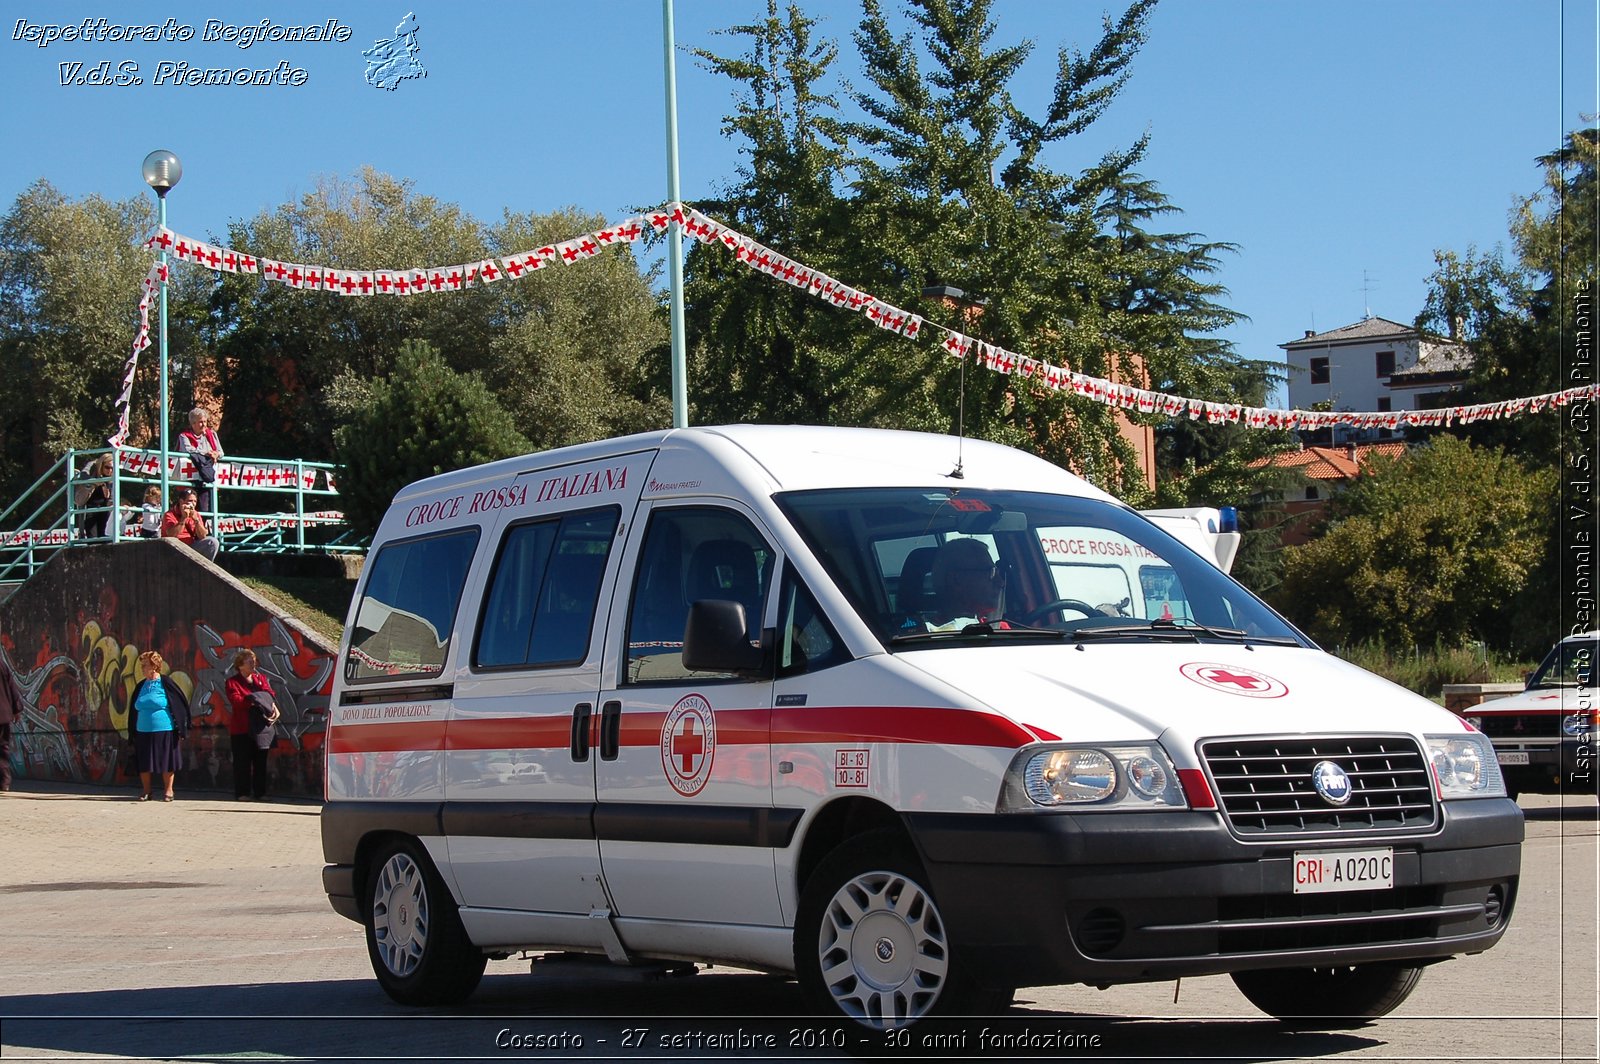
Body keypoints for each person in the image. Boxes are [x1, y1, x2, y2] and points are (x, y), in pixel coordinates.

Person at [128, 651, 190, 802]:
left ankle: (169, 791)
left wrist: (182, 727)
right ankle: (147, 791)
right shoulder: (141, 686)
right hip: (143, 730)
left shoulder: (166, 683)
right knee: (144, 762)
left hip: (165, 729)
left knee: (166, 761)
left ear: (155, 666)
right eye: (141, 665)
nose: (142, 668)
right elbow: (133, 708)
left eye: (145, 665)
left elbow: (179, 704)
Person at [224, 649, 279, 801]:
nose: (253, 664)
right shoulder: (232, 682)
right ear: (240, 665)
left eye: (254, 661)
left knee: (260, 761)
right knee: (242, 762)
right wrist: (257, 700)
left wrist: (261, 701)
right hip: (242, 728)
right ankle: (242, 793)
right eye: (249, 661)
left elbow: (270, 695)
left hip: (261, 727)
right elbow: (237, 701)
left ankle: (260, 792)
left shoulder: (260, 679)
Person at [927, 537, 1007, 630]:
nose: (1000, 582)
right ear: (956, 579)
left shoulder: (1001, 629)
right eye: (990, 573)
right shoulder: (924, 637)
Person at [178, 407, 223, 514]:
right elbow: (188, 450)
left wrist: (216, 454)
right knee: (188, 509)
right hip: (189, 479)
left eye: (205, 421)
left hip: (205, 477)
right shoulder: (184, 436)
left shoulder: (211, 434)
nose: (204, 425)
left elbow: (221, 452)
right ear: (193, 424)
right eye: (200, 422)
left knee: (206, 510)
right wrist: (208, 453)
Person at [161, 488, 220, 561]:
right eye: (190, 501)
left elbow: (202, 536)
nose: (193, 504)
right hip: (174, 548)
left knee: (213, 542)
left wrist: (196, 520)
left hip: (191, 547)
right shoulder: (169, 514)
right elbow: (171, 535)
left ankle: (205, 568)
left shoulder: (196, 514)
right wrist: (183, 518)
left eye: (195, 501)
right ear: (181, 501)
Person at [73, 454, 115, 538]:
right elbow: (83, 475)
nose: (110, 471)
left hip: (105, 510)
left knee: (105, 538)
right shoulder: (92, 468)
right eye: (107, 467)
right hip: (90, 509)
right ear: (101, 465)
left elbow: (110, 499)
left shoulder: (112, 478)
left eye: (112, 468)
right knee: (92, 538)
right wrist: (94, 483)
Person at [0, 652, 24, 793]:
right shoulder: (2, 664)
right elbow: (12, 686)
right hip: (4, 714)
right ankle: (4, 782)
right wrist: (16, 710)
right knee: (3, 748)